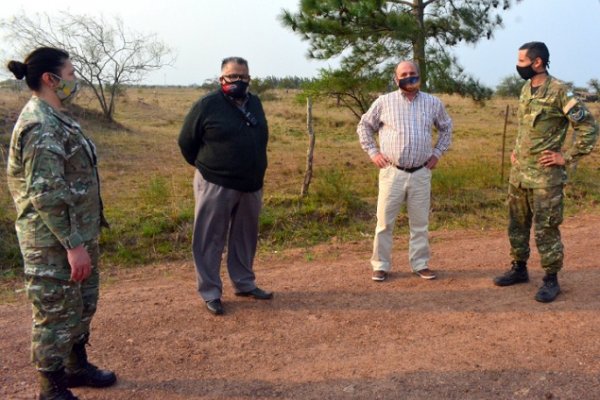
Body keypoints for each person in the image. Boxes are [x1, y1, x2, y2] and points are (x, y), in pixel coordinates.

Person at [6, 47, 116, 400]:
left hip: (76, 235)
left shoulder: (58, 117)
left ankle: (75, 366)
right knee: (54, 313)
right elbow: (47, 194)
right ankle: (50, 388)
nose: (75, 80)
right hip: (53, 242)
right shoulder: (39, 125)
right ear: (49, 79)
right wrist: (74, 245)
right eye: (70, 74)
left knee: (81, 304)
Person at [493, 42, 598, 302]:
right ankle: (519, 268)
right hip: (519, 174)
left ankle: (551, 278)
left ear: (537, 62)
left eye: (521, 61)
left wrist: (567, 157)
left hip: (545, 177)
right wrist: (517, 150)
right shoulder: (525, 88)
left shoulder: (560, 91)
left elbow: (588, 126)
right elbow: (526, 128)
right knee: (516, 224)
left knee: (546, 228)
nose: (518, 66)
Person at [178, 57, 273, 316]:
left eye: (243, 77)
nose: (238, 81)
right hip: (216, 183)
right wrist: (209, 167)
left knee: (245, 238)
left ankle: (244, 283)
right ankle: (210, 292)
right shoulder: (207, 105)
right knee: (210, 239)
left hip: (251, 184)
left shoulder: (255, 102)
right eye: (232, 77)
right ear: (221, 79)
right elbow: (186, 141)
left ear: (249, 79)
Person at [357, 60, 453, 282]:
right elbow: (364, 126)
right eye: (404, 74)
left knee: (419, 223)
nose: (409, 76)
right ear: (396, 78)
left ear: (419, 76)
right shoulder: (384, 102)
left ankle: (420, 264)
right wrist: (373, 153)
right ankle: (380, 265)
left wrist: (437, 153)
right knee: (384, 223)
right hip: (392, 172)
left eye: (412, 73)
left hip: (421, 173)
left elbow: (447, 128)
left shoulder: (433, 103)